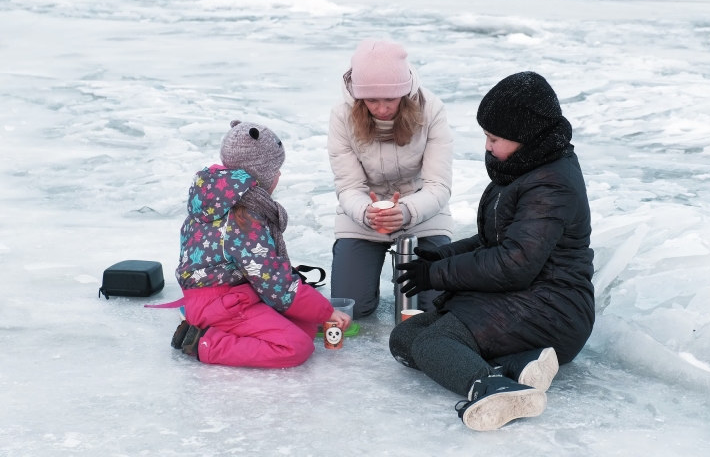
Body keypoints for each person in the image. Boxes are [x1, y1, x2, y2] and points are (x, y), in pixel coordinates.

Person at [389, 72, 595, 431]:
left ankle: (492, 388)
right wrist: (440, 257)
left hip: (552, 307)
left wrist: (434, 275)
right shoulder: (522, 169)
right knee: (406, 338)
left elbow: (514, 262)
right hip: (522, 297)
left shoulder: (552, 184)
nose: (487, 146)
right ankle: (521, 365)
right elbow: (493, 240)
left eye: (494, 138)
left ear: (526, 137)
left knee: (433, 343)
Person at [170, 120, 351, 368]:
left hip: (233, 294)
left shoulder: (216, 199)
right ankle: (205, 342)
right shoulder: (243, 218)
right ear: (260, 174)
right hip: (220, 303)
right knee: (296, 346)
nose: (279, 175)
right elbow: (275, 282)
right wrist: (326, 312)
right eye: (275, 169)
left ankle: (210, 329)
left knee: (305, 327)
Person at [327, 39, 454, 319]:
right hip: (364, 211)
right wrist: (366, 212)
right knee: (352, 308)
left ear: (405, 93)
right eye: (371, 100)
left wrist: (406, 212)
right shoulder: (342, 115)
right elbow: (349, 186)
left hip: (421, 208)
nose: (382, 109)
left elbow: (438, 185)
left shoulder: (431, 109)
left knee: (434, 309)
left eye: (390, 99)